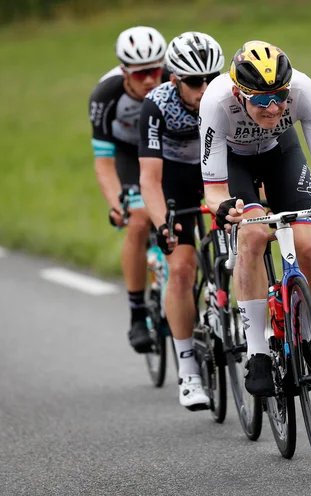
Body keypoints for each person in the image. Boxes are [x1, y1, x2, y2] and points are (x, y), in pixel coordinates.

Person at [198, 40, 311, 396]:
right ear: (240, 94)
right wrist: (224, 207)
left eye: (280, 96)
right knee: (254, 237)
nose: (273, 107)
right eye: (261, 99)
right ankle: (257, 351)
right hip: (235, 162)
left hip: (281, 153)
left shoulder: (303, 90)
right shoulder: (215, 101)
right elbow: (213, 190)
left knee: (308, 246)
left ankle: (307, 335)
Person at [138, 32, 226, 410]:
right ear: (174, 80)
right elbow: (150, 180)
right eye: (194, 81)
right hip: (174, 176)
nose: (205, 88)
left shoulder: (226, 96)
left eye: (211, 77)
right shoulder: (156, 105)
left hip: (217, 171)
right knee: (183, 267)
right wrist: (162, 224)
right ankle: (189, 372)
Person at [88, 26, 170, 354]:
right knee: (138, 219)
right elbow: (104, 162)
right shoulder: (105, 97)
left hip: (167, 150)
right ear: (124, 71)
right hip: (129, 155)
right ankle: (137, 312)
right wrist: (115, 204)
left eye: (155, 70)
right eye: (140, 74)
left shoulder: (178, 79)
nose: (150, 80)